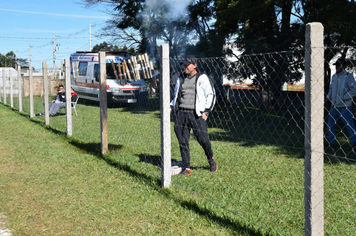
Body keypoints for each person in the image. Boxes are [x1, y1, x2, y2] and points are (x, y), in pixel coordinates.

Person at [171, 55, 217, 175]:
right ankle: (186, 167)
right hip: (181, 113)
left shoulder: (202, 78)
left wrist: (206, 111)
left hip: (196, 114)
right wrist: (172, 107)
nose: (185, 67)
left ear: (195, 65)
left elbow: (211, 94)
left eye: (187, 64)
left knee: (203, 139)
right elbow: (176, 95)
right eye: (184, 65)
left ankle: (210, 159)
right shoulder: (180, 78)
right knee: (182, 141)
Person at [326, 58, 356, 147]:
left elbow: (354, 90)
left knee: (349, 125)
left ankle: (355, 142)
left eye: (339, 65)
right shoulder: (334, 76)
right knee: (330, 124)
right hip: (334, 105)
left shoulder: (348, 76)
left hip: (345, 106)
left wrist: (343, 98)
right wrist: (328, 98)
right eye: (336, 65)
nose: (337, 67)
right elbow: (331, 89)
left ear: (344, 66)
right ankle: (332, 142)